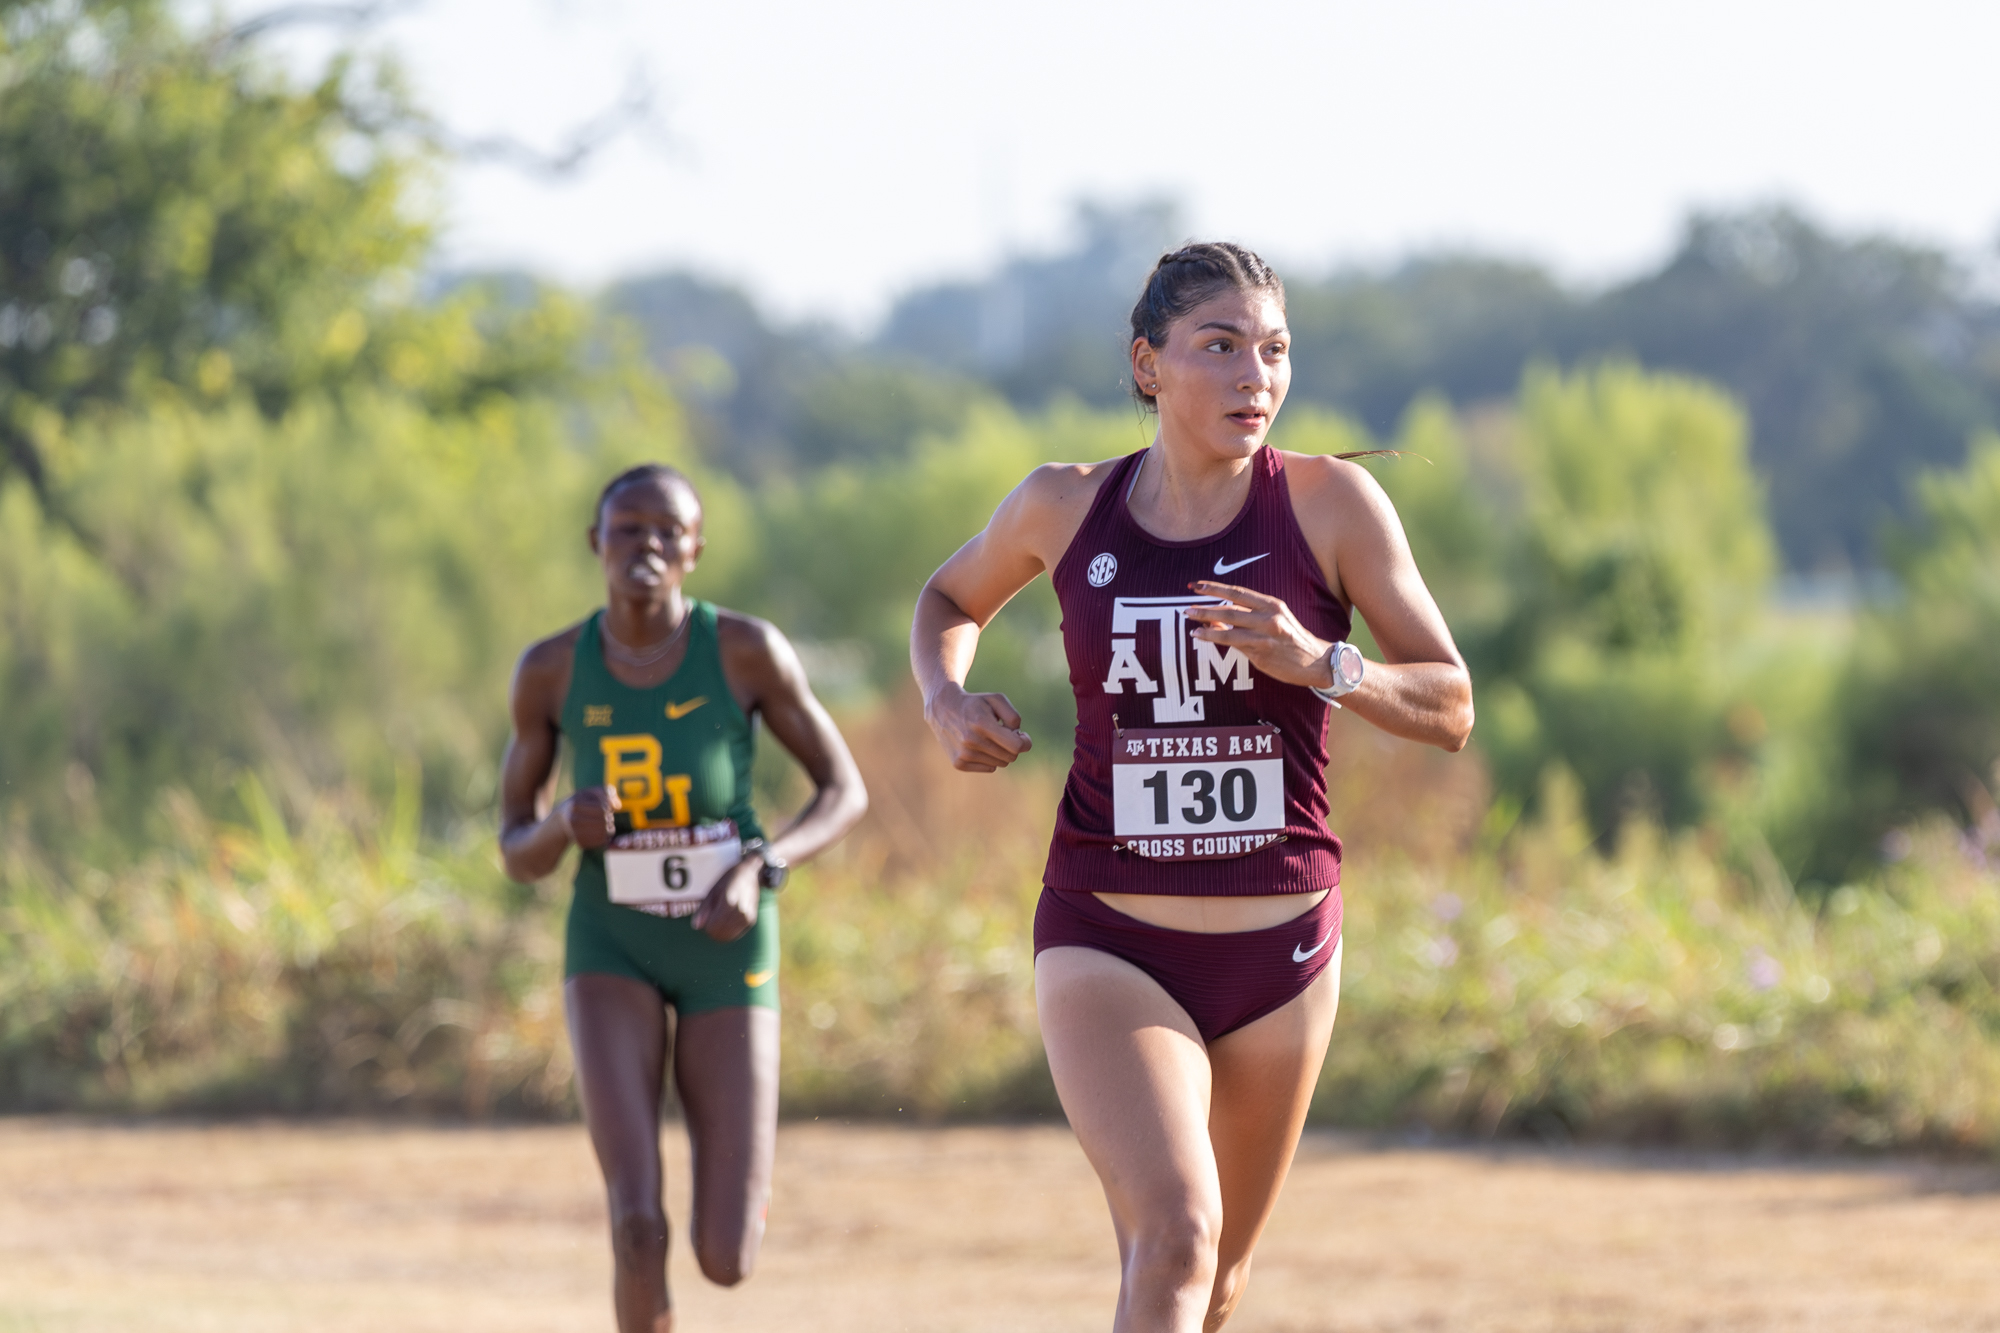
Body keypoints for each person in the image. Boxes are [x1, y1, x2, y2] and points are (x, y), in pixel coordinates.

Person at [912, 243, 1474, 1331]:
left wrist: (1321, 662)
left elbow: (1448, 706)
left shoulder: (1330, 505)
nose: (1251, 376)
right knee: (1175, 1234)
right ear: (1147, 364)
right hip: (1107, 940)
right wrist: (944, 700)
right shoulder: (1063, 506)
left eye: (1272, 351)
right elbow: (947, 597)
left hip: (1284, 949)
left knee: (1214, 1283)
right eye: (1217, 348)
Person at [501, 463, 867, 1333]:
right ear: (597, 542)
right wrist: (561, 825)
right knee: (636, 1221)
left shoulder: (743, 649)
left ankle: (744, 1197)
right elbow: (517, 848)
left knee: (725, 1256)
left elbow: (842, 790)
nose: (648, 546)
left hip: (726, 938)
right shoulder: (552, 670)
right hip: (611, 944)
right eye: (628, 529)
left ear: (696, 549)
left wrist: (760, 865)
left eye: (669, 532)